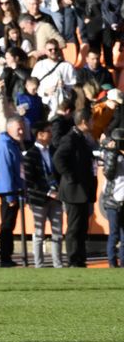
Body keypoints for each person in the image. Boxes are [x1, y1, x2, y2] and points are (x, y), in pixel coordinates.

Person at [53, 108, 98, 268]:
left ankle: (80, 258)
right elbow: (58, 159)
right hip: (74, 191)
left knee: (82, 227)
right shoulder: (70, 138)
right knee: (74, 227)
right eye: (91, 120)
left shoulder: (83, 138)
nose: (93, 123)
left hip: (82, 191)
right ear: (84, 122)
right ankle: (73, 259)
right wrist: (71, 177)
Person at [23, 121, 63, 268]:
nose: (51, 134)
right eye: (48, 131)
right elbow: (30, 180)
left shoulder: (54, 151)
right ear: (40, 134)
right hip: (39, 199)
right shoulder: (30, 155)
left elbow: (59, 173)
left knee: (57, 233)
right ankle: (39, 264)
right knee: (39, 233)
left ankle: (58, 264)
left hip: (56, 198)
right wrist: (48, 192)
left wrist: (58, 191)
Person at [0, 116, 25, 268]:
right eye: (18, 128)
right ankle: (5, 257)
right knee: (6, 223)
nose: (21, 131)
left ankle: (7, 255)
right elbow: (5, 170)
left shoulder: (12, 143)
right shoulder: (6, 144)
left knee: (9, 224)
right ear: (9, 128)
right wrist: (10, 195)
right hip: (8, 191)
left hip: (12, 189)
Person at [101, 129, 124, 268]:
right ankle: (112, 263)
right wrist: (111, 152)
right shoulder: (110, 155)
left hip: (121, 200)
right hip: (113, 201)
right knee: (114, 234)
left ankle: (122, 263)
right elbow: (108, 173)